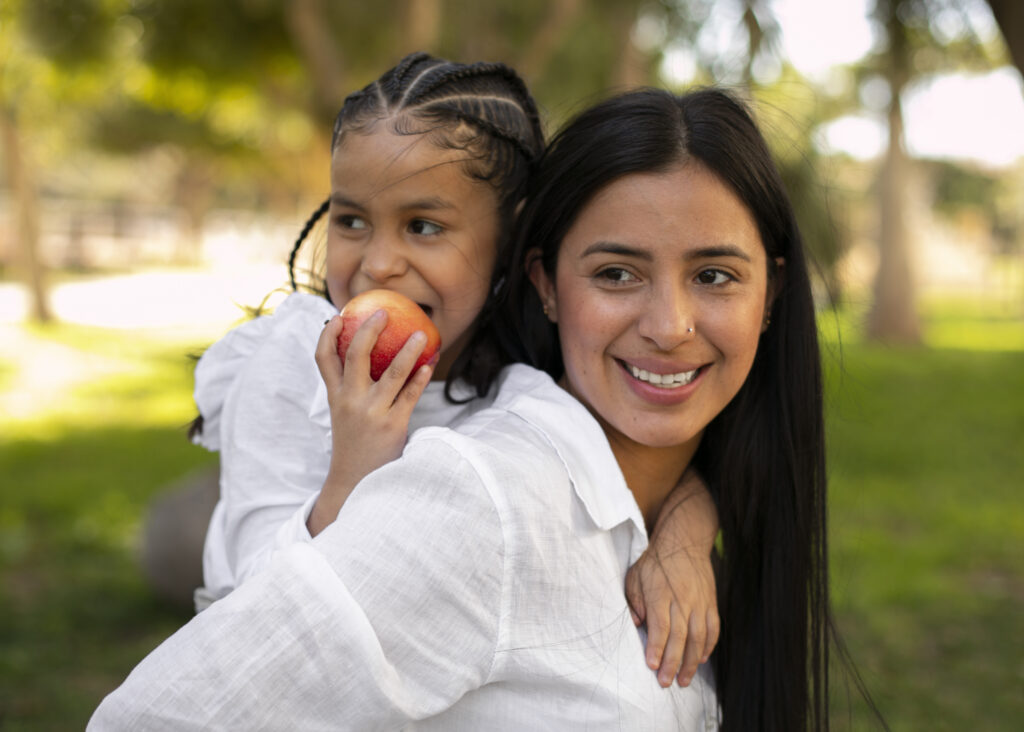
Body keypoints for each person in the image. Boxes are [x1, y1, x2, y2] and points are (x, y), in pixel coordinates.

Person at [90, 84, 838, 731]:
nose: (670, 325)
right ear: (545, 284)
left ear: (770, 292)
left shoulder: (638, 479)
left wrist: (689, 514)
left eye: (713, 275)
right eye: (617, 273)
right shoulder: (484, 501)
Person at [189, 51, 719, 689]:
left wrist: (687, 533)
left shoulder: (528, 371)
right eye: (352, 220)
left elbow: (645, 468)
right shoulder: (294, 364)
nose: (379, 263)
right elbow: (263, 605)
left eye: (423, 225)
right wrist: (359, 456)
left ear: (510, 239)